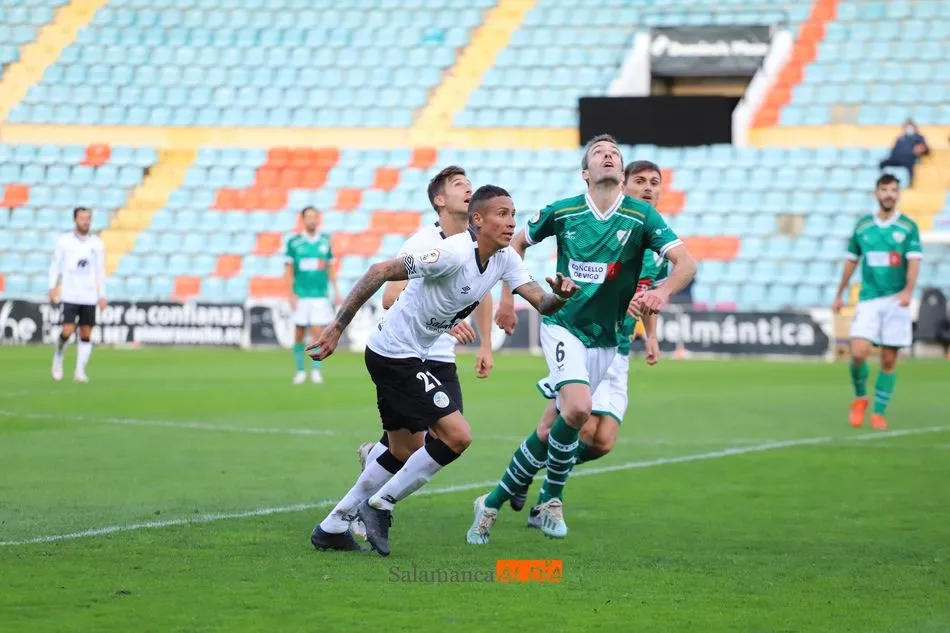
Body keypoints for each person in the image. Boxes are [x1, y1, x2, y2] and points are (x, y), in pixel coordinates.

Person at [306, 185, 577, 557]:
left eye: (513, 214)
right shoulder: (451, 253)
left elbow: (542, 303)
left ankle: (332, 526)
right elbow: (380, 271)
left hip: (412, 355)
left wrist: (561, 295)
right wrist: (338, 326)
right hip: (393, 355)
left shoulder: (505, 259)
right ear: (477, 219)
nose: (511, 222)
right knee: (457, 435)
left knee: (403, 450)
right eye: (502, 214)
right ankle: (380, 504)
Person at [466, 136, 696, 543]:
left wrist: (662, 294)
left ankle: (494, 500)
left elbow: (686, 264)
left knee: (560, 429)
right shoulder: (563, 210)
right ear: (585, 173)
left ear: (620, 172)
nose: (608, 155)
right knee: (577, 410)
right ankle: (551, 500)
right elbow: (516, 243)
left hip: (607, 340)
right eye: (599, 153)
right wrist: (509, 297)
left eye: (615, 153)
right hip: (564, 324)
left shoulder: (641, 218)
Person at [505, 160, 671, 528]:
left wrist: (652, 337)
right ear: (623, 185)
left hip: (618, 350)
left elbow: (649, 296)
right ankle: (524, 487)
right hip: (581, 339)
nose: (647, 188)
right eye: (639, 181)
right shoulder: (612, 229)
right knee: (559, 424)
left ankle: (530, 474)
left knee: (602, 441)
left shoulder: (659, 247)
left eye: (654, 182)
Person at [351, 166, 496, 538]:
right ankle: (366, 510)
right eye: (459, 185)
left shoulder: (479, 242)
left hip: (442, 357)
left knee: (428, 443)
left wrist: (485, 343)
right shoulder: (422, 244)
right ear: (440, 200)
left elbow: (483, 290)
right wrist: (447, 321)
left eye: (470, 184)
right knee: (436, 439)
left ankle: (370, 480)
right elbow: (390, 297)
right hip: (407, 353)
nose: (469, 189)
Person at [832, 174, 922, 430]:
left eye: (893, 190)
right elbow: (851, 260)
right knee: (858, 351)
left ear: (898, 194)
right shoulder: (863, 227)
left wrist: (908, 291)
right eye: (884, 190)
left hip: (896, 300)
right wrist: (839, 293)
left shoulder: (908, 227)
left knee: (889, 359)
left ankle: (879, 413)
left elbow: (914, 261)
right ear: (876, 194)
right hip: (869, 299)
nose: (889, 194)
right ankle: (861, 398)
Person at [285, 206, 341, 384]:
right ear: (303, 219)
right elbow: (289, 270)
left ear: (318, 219)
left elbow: (330, 267)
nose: (311, 220)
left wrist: (336, 290)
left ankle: (316, 371)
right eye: (308, 217)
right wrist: (290, 293)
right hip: (301, 295)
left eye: (314, 217)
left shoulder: (325, 241)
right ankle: (300, 371)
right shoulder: (294, 242)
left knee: (318, 333)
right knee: (299, 333)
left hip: (319, 296)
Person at [49, 207, 106, 383]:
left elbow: (100, 270)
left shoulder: (97, 243)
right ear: (75, 220)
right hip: (70, 294)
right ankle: (59, 354)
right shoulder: (65, 241)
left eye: (88, 218)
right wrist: (52, 287)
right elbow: (55, 264)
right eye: (82, 218)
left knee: (86, 332)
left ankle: (80, 371)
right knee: (67, 330)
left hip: (89, 295)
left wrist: (102, 295)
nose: (85, 221)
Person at [878, 119, 929, 187]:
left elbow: (926, 150)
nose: (909, 128)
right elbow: (894, 150)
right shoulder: (901, 138)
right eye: (907, 126)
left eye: (910, 126)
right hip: (896, 158)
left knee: (910, 166)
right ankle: (884, 180)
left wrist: (920, 150)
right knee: (882, 163)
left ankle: (910, 183)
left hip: (909, 158)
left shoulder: (919, 138)